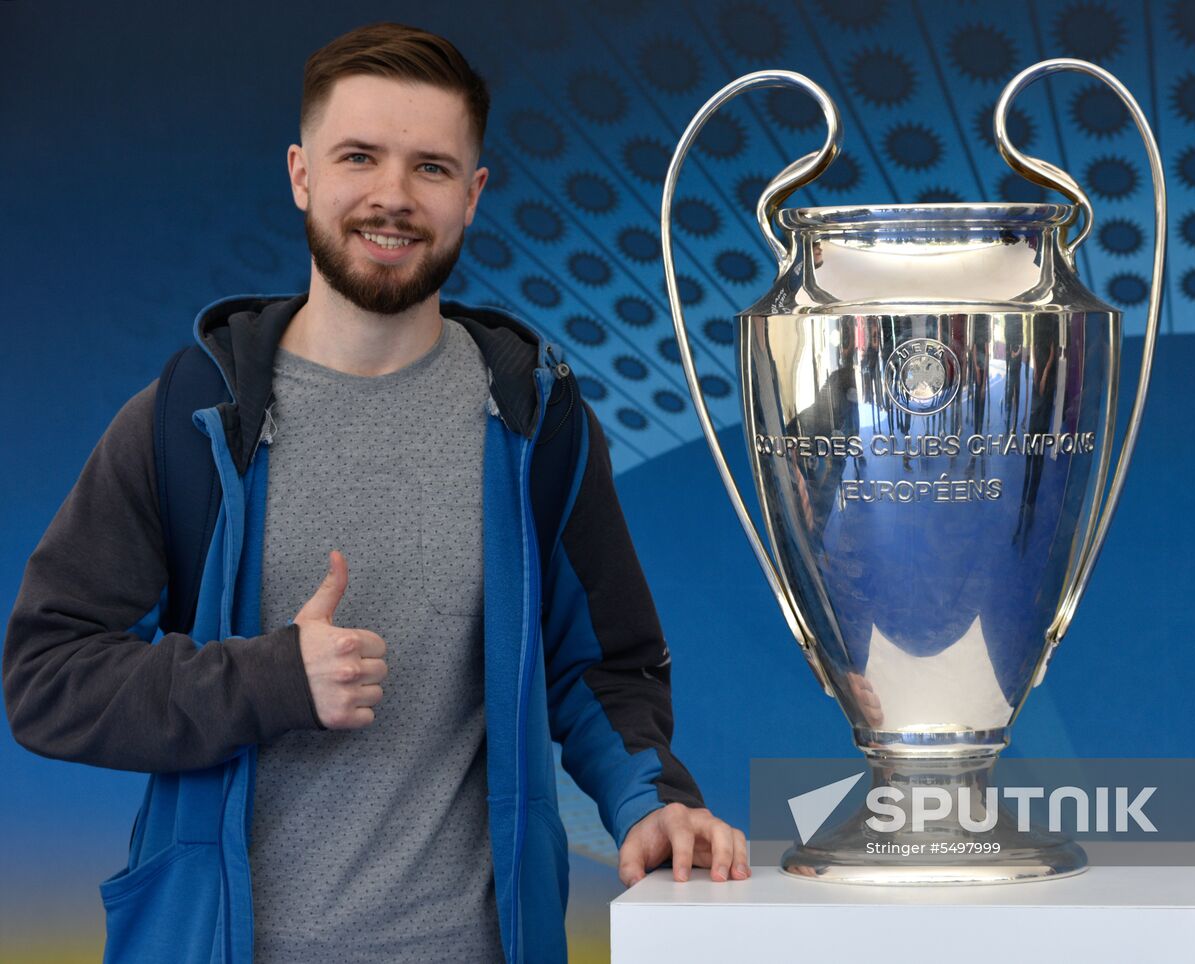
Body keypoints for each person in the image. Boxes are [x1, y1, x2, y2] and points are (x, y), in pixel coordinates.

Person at [2, 22, 746, 964]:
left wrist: (656, 802)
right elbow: (47, 680)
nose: (393, 197)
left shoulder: (534, 423)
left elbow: (602, 669)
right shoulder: (189, 420)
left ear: (472, 197)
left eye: (432, 168)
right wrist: (268, 679)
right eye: (360, 157)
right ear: (302, 174)